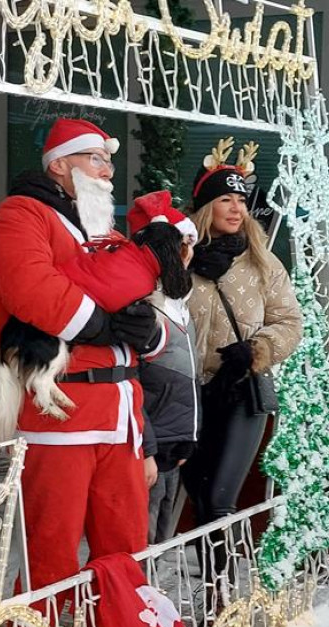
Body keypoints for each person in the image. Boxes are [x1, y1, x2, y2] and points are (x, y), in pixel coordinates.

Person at [0, 118, 163, 627]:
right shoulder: (20, 216)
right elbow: (31, 289)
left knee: (124, 553)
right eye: (94, 159)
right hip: (59, 413)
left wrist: (149, 331)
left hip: (122, 415)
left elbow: (151, 314)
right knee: (50, 556)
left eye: (108, 161)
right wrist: (106, 325)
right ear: (59, 164)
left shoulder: (104, 230)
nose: (108, 171)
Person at [180, 138, 302, 587]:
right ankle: (211, 589)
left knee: (218, 498)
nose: (236, 209)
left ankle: (220, 597)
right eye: (225, 200)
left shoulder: (261, 261)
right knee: (198, 494)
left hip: (240, 392)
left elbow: (289, 322)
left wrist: (257, 350)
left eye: (241, 201)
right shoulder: (180, 258)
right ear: (204, 207)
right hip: (188, 394)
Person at [124, 192, 201, 545]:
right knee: (142, 531)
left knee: (161, 532)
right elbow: (133, 384)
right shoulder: (144, 309)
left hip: (173, 445)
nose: (188, 253)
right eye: (181, 244)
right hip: (151, 447)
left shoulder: (179, 304)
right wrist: (148, 449)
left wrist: (185, 438)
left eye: (190, 245)